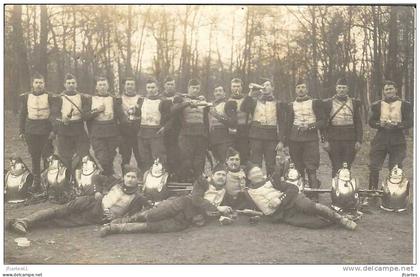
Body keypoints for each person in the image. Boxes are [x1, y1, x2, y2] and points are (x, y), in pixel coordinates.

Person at [99, 163, 235, 236]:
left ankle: (113, 228)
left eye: (224, 175)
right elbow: (196, 199)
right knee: (151, 215)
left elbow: (230, 208)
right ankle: (122, 220)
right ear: (212, 174)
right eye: (219, 174)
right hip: (180, 204)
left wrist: (224, 214)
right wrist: (217, 209)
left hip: (185, 220)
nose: (221, 177)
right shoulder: (202, 182)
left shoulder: (224, 193)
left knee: (151, 227)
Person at [8, 166, 148, 234]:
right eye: (128, 176)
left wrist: (116, 217)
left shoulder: (138, 198)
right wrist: (97, 191)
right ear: (124, 177)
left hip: (96, 216)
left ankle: (21, 225)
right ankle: (24, 221)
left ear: (138, 180)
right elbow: (96, 178)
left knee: (61, 222)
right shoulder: (115, 181)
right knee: (59, 211)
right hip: (90, 201)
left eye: (133, 177)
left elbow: (131, 216)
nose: (130, 179)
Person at [242, 162, 357, 230]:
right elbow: (263, 211)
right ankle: (338, 217)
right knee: (315, 224)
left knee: (309, 207)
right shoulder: (249, 192)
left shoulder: (271, 181)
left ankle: (341, 220)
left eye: (258, 171)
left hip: (293, 200)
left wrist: (279, 199)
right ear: (248, 177)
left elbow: (293, 188)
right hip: (283, 214)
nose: (257, 174)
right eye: (253, 173)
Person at [281, 79, 325, 194]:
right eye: (298, 87)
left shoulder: (315, 103)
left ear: (307, 89)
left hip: (310, 139)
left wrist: (310, 126)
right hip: (294, 139)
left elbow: (322, 121)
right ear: (295, 90)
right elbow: (287, 125)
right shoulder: (291, 105)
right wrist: (285, 143)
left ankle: (314, 194)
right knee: (297, 167)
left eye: (303, 87)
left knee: (311, 167)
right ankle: (300, 193)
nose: (301, 90)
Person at [367, 80, 413, 190]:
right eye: (386, 89)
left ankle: (394, 194)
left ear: (396, 90)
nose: (389, 91)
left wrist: (399, 125)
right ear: (383, 91)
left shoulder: (406, 105)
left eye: (391, 88)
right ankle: (372, 193)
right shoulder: (377, 105)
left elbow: (411, 122)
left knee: (395, 168)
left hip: (397, 138)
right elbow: (371, 121)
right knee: (374, 166)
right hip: (381, 138)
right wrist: (379, 124)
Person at [18, 73, 54, 192]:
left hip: (45, 130)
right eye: (36, 82)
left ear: (44, 84)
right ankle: (36, 182)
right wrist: (21, 131)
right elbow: (22, 114)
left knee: (47, 156)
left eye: (41, 83)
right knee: (34, 156)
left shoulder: (50, 97)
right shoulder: (26, 97)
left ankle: (49, 181)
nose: (38, 85)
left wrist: (54, 130)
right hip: (31, 130)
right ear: (32, 84)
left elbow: (54, 115)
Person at [170, 79, 211, 181]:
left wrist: (207, 135)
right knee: (185, 161)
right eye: (193, 88)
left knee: (199, 161)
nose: (195, 90)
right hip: (186, 135)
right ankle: (183, 182)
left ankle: (198, 182)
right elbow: (173, 110)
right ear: (188, 88)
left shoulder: (202, 100)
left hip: (201, 135)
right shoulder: (182, 99)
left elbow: (206, 120)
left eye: (197, 88)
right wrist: (187, 103)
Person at [322, 78, 363, 177]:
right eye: (339, 87)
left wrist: (359, 140)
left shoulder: (353, 103)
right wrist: (325, 140)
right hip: (334, 138)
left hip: (350, 138)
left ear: (347, 89)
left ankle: (347, 190)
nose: (341, 90)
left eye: (344, 88)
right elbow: (324, 124)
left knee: (347, 166)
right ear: (336, 88)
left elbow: (358, 123)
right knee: (336, 166)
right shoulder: (328, 103)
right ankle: (335, 190)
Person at [242, 79, 284, 176]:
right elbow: (243, 108)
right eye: (263, 85)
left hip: (271, 138)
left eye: (268, 85)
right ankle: (256, 185)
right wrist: (250, 93)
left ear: (273, 88)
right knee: (255, 163)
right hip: (256, 136)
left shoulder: (278, 103)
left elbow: (282, 123)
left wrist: (281, 140)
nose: (265, 86)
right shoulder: (254, 101)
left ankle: (272, 186)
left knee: (271, 164)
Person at [51, 73, 90, 171]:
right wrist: (61, 119)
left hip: (79, 129)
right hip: (64, 130)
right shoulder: (59, 98)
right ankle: (68, 178)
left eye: (73, 83)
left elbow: (86, 112)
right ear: (64, 84)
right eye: (68, 83)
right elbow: (54, 114)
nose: (71, 85)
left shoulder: (82, 97)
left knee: (83, 155)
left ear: (76, 84)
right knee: (65, 157)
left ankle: (80, 179)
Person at [85, 77, 121, 176]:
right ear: (96, 87)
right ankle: (108, 176)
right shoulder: (90, 99)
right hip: (97, 133)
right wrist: (97, 111)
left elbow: (120, 115)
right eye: (100, 85)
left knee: (110, 157)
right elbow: (85, 115)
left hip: (111, 132)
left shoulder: (114, 99)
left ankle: (108, 177)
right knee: (102, 157)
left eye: (104, 84)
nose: (102, 87)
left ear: (108, 86)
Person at [136, 79, 170, 173]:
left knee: (158, 158)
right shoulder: (142, 100)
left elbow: (169, 118)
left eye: (153, 87)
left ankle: (160, 178)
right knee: (144, 157)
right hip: (143, 132)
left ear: (157, 88)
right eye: (148, 87)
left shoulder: (163, 101)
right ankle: (146, 177)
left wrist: (164, 127)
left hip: (156, 132)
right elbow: (137, 114)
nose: (150, 90)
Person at [116, 77, 141, 170]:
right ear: (124, 86)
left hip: (137, 131)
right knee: (125, 157)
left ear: (135, 86)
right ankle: (125, 179)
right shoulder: (118, 99)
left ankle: (141, 178)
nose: (130, 86)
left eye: (132, 84)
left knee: (140, 157)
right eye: (128, 84)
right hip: (124, 132)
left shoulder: (140, 98)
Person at [160, 77, 182, 178]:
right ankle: (164, 175)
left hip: (176, 130)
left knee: (175, 153)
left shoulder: (179, 97)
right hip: (161, 129)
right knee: (163, 153)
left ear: (175, 85)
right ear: (164, 85)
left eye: (172, 84)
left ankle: (176, 175)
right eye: (168, 84)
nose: (170, 86)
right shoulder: (160, 97)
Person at [225, 78, 250, 165]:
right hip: (231, 131)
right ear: (231, 88)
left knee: (244, 154)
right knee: (232, 154)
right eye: (234, 86)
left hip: (244, 130)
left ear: (242, 87)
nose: (236, 88)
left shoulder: (247, 99)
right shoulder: (227, 100)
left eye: (238, 86)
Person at [208, 85, 235, 163]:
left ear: (224, 93)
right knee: (217, 162)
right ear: (213, 93)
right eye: (216, 91)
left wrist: (217, 115)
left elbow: (232, 122)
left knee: (225, 161)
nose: (218, 93)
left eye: (220, 91)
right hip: (213, 137)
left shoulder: (228, 104)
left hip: (224, 138)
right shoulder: (210, 105)